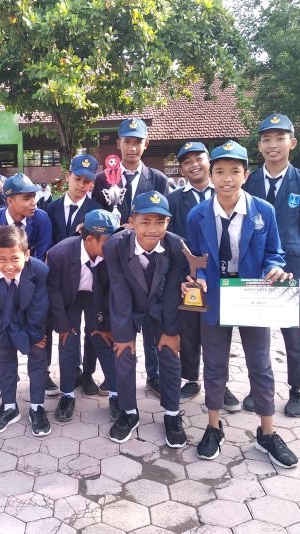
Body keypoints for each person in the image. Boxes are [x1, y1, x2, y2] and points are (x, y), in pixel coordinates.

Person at [186, 140, 298, 468]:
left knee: (260, 364)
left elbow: (274, 252)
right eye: (219, 171)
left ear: (245, 175)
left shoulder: (263, 211)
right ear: (211, 175)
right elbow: (196, 257)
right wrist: (200, 277)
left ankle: (267, 433)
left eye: (234, 171)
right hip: (215, 296)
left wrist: (274, 268)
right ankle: (213, 426)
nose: (227, 179)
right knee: (214, 365)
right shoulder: (197, 215)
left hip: (252, 295)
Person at [242, 114, 300, 417]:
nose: (272, 145)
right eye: (266, 139)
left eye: (279, 138)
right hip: (254, 264)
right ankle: (258, 386)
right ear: (259, 145)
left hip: (290, 265)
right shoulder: (248, 182)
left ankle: (298, 388)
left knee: (293, 328)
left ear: (293, 142)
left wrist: (295, 254)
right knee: (255, 328)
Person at [92, 118, 171, 398]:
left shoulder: (159, 179)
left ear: (146, 144)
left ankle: (154, 374)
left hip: (148, 259)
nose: (132, 147)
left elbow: (166, 219)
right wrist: (117, 228)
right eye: (127, 141)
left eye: (138, 142)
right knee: (118, 313)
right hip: (116, 258)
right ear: (119, 144)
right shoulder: (103, 178)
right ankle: (114, 373)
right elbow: (97, 215)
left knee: (151, 318)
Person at [103, 191, 187, 446]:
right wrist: (124, 335)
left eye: (160, 222)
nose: (153, 229)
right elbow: (119, 289)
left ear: (168, 222)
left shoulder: (175, 246)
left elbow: (172, 291)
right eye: (145, 222)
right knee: (124, 353)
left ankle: (172, 413)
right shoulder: (115, 246)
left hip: (161, 306)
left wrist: (171, 332)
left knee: (170, 354)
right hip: (129, 305)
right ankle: (129, 412)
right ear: (131, 222)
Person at [166, 141, 241, 411]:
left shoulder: (227, 191)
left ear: (209, 161)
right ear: (182, 169)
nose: (194, 165)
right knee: (189, 329)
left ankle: (220, 383)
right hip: (188, 278)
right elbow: (169, 237)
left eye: (198, 158)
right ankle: (191, 378)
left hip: (223, 276)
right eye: (187, 162)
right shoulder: (175, 199)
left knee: (220, 332)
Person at [0, 173, 56, 393]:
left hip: (31, 282)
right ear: (10, 201)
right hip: (1, 283)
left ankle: (42, 373)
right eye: (27, 198)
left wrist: (23, 277)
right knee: (5, 326)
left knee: (40, 329)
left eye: (34, 197)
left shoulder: (41, 219)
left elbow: (44, 251)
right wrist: (0, 274)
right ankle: (8, 377)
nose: (33, 202)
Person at [0, 226, 51, 436]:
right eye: (2, 259)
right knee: (4, 352)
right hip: (4, 321)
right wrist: (5, 337)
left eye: (15, 259)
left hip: (32, 320)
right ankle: (9, 407)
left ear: (27, 255)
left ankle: (37, 407)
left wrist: (33, 337)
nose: (9, 266)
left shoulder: (40, 271)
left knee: (38, 352)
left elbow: (39, 308)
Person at [48, 209, 119, 423]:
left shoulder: (112, 255)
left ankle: (116, 394)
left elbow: (112, 290)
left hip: (95, 297)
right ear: (90, 240)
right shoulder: (59, 253)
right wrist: (62, 324)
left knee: (102, 338)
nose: (114, 245)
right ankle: (67, 395)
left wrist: (105, 323)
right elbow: (53, 291)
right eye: (108, 241)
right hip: (68, 297)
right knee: (68, 339)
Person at [46, 154, 105, 394]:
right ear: (68, 176)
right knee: (68, 330)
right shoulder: (52, 207)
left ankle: (88, 373)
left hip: (90, 281)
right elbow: (50, 244)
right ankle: (72, 373)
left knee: (92, 330)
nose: (82, 185)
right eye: (78, 179)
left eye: (87, 181)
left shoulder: (97, 210)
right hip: (63, 284)